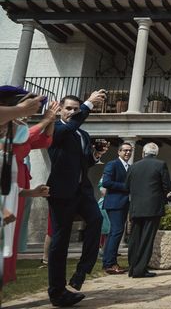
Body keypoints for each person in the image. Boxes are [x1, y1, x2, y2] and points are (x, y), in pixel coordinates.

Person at [46, 90, 108, 307]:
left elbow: (84, 163)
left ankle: (81, 272)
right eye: (69, 108)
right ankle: (57, 291)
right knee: (60, 241)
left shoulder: (83, 135)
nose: (73, 112)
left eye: (76, 108)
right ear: (60, 110)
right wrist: (89, 104)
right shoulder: (56, 128)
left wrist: (96, 155)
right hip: (61, 192)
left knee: (96, 220)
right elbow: (70, 126)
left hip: (82, 190)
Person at [3, 100, 58, 283]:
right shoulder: (8, 128)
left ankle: (5, 276)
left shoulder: (19, 126)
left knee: (12, 232)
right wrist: (44, 120)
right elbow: (23, 137)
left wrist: (51, 121)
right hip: (7, 181)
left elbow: (45, 141)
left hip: (16, 183)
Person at [126, 142, 171, 278]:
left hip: (136, 207)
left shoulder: (133, 166)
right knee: (147, 239)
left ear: (143, 153)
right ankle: (140, 270)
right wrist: (167, 195)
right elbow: (167, 185)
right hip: (152, 208)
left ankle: (132, 268)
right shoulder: (160, 164)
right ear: (156, 153)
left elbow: (126, 185)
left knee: (134, 238)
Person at [102, 142, 133, 275]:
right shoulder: (112, 164)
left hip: (124, 203)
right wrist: (125, 187)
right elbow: (106, 182)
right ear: (119, 152)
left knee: (115, 232)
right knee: (116, 232)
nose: (127, 153)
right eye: (125, 150)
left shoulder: (130, 167)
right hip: (114, 203)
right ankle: (110, 264)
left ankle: (108, 262)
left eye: (130, 151)